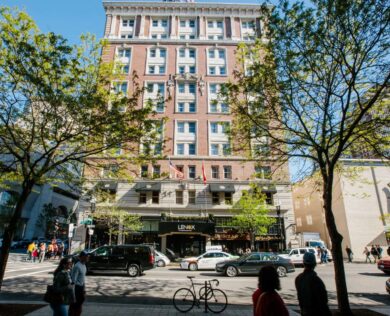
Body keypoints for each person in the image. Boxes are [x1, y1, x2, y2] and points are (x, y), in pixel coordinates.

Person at [69, 251, 88, 316]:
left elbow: (83, 278)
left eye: (87, 256)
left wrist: (84, 289)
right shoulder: (77, 266)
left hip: (81, 288)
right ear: (81, 257)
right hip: (76, 289)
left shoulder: (84, 265)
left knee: (79, 307)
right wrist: (73, 294)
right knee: (74, 307)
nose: (87, 258)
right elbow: (73, 281)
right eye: (85, 256)